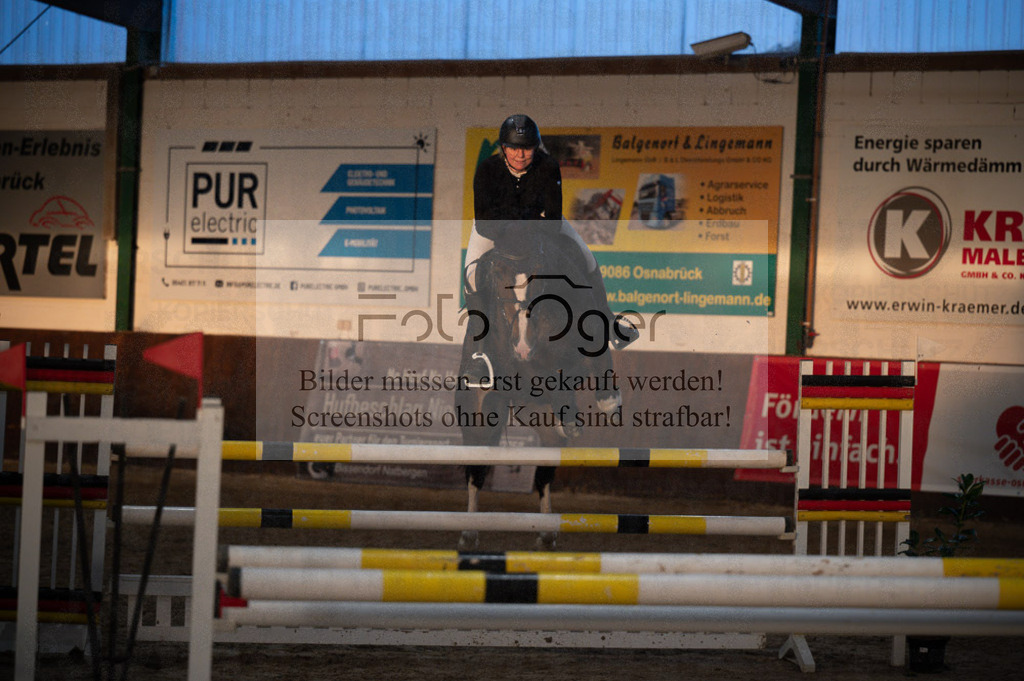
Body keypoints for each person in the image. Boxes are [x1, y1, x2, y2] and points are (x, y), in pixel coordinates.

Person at [461, 114, 638, 382]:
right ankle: (480, 355)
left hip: (539, 225)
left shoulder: (548, 166)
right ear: (503, 149)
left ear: (535, 148)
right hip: (494, 229)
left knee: (586, 257)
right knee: (472, 278)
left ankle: (610, 322)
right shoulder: (487, 170)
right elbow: (485, 223)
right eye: (514, 148)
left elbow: (553, 220)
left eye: (527, 148)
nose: (521, 155)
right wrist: (513, 228)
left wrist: (525, 225)